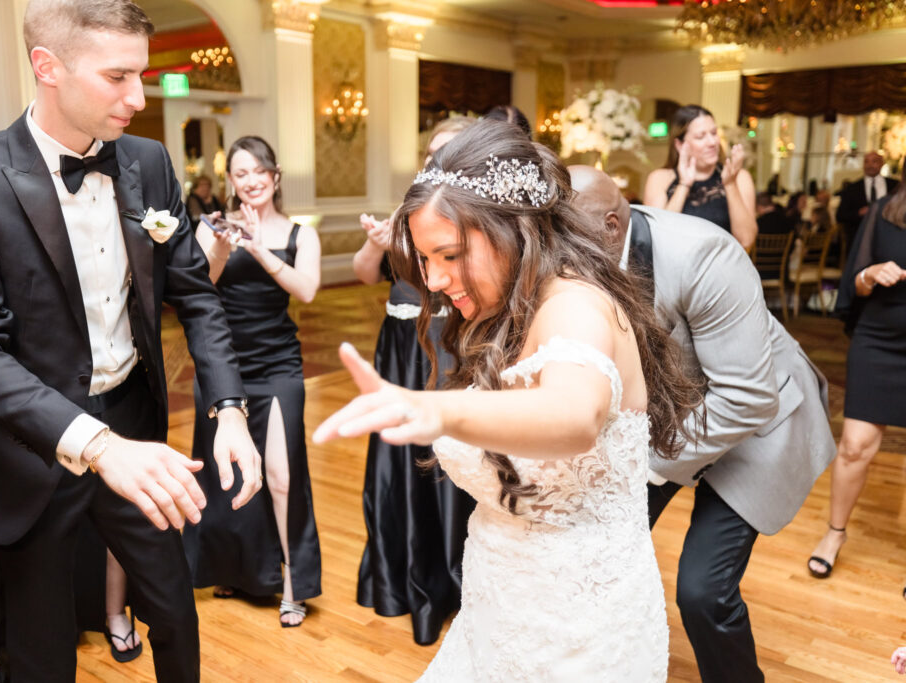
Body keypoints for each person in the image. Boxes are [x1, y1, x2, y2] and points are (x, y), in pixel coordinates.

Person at [0, 2, 262, 680]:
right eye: (118, 77)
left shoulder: (149, 161)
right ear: (48, 67)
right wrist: (97, 447)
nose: (139, 97)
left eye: (142, 75)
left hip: (135, 424)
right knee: (41, 650)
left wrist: (229, 409)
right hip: (33, 450)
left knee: (174, 612)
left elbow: (195, 294)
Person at [315, 120, 703, 680]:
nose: (435, 278)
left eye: (449, 255)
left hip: (577, 629)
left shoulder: (574, 304)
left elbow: (573, 416)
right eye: (425, 259)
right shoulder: (507, 311)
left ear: (511, 227)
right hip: (498, 605)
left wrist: (438, 410)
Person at [569, 165, 837, 683]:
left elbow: (746, 397)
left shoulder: (703, 254)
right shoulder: (584, 253)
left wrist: (649, 467)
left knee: (702, 591)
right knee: (596, 545)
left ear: (609, 225)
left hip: (760, 420)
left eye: (565, 234)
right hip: (676, 413)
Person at [184, 136, 322, 627]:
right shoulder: (213, 227)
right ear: (232, 182)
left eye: (259, 170)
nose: (251, 180)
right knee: (230, 478)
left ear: (276, 175)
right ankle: (237, 571)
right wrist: (224, 245)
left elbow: (306, 290)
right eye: (241, 173)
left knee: (283, 477)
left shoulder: (301, 234)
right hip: (224, 368)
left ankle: (292, 583)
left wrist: (261, 251)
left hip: (280, 366)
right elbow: (199, 288)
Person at [351, 116, 475, 646]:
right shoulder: (411, 208)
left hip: (449, 346)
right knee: (396, 463)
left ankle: (455, 581)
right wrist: (380, 243)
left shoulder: (476, 217)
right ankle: (402, 576)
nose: (435, 159)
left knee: (447, 458)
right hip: (398, 349)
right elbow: (363, 272)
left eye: (447, 151)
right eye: (431, 151)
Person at [809, 174, 906, 580]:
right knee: (854, 446)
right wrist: (872, 274)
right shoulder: (884, 212)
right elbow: (855, 282)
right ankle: (835, 533)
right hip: (878, 341)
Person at [643, 104, 757, 249]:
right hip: (676, 270)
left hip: (722, 269)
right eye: (700, 136)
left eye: (714, 133)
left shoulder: (739, 177)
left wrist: (730, 184)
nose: (712, 142)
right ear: (679, 145)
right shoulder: (659, 179)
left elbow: (746, 240)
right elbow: (658, 238)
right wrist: (684, 184)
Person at [837, 151, 900, 248]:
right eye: (866, 162)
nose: (870, 165)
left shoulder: (895, 185)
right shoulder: (852, 188)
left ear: (881, 163)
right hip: (860, 238)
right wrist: (859, 213)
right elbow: (840, 215)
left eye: (874, 161)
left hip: (889, 237)